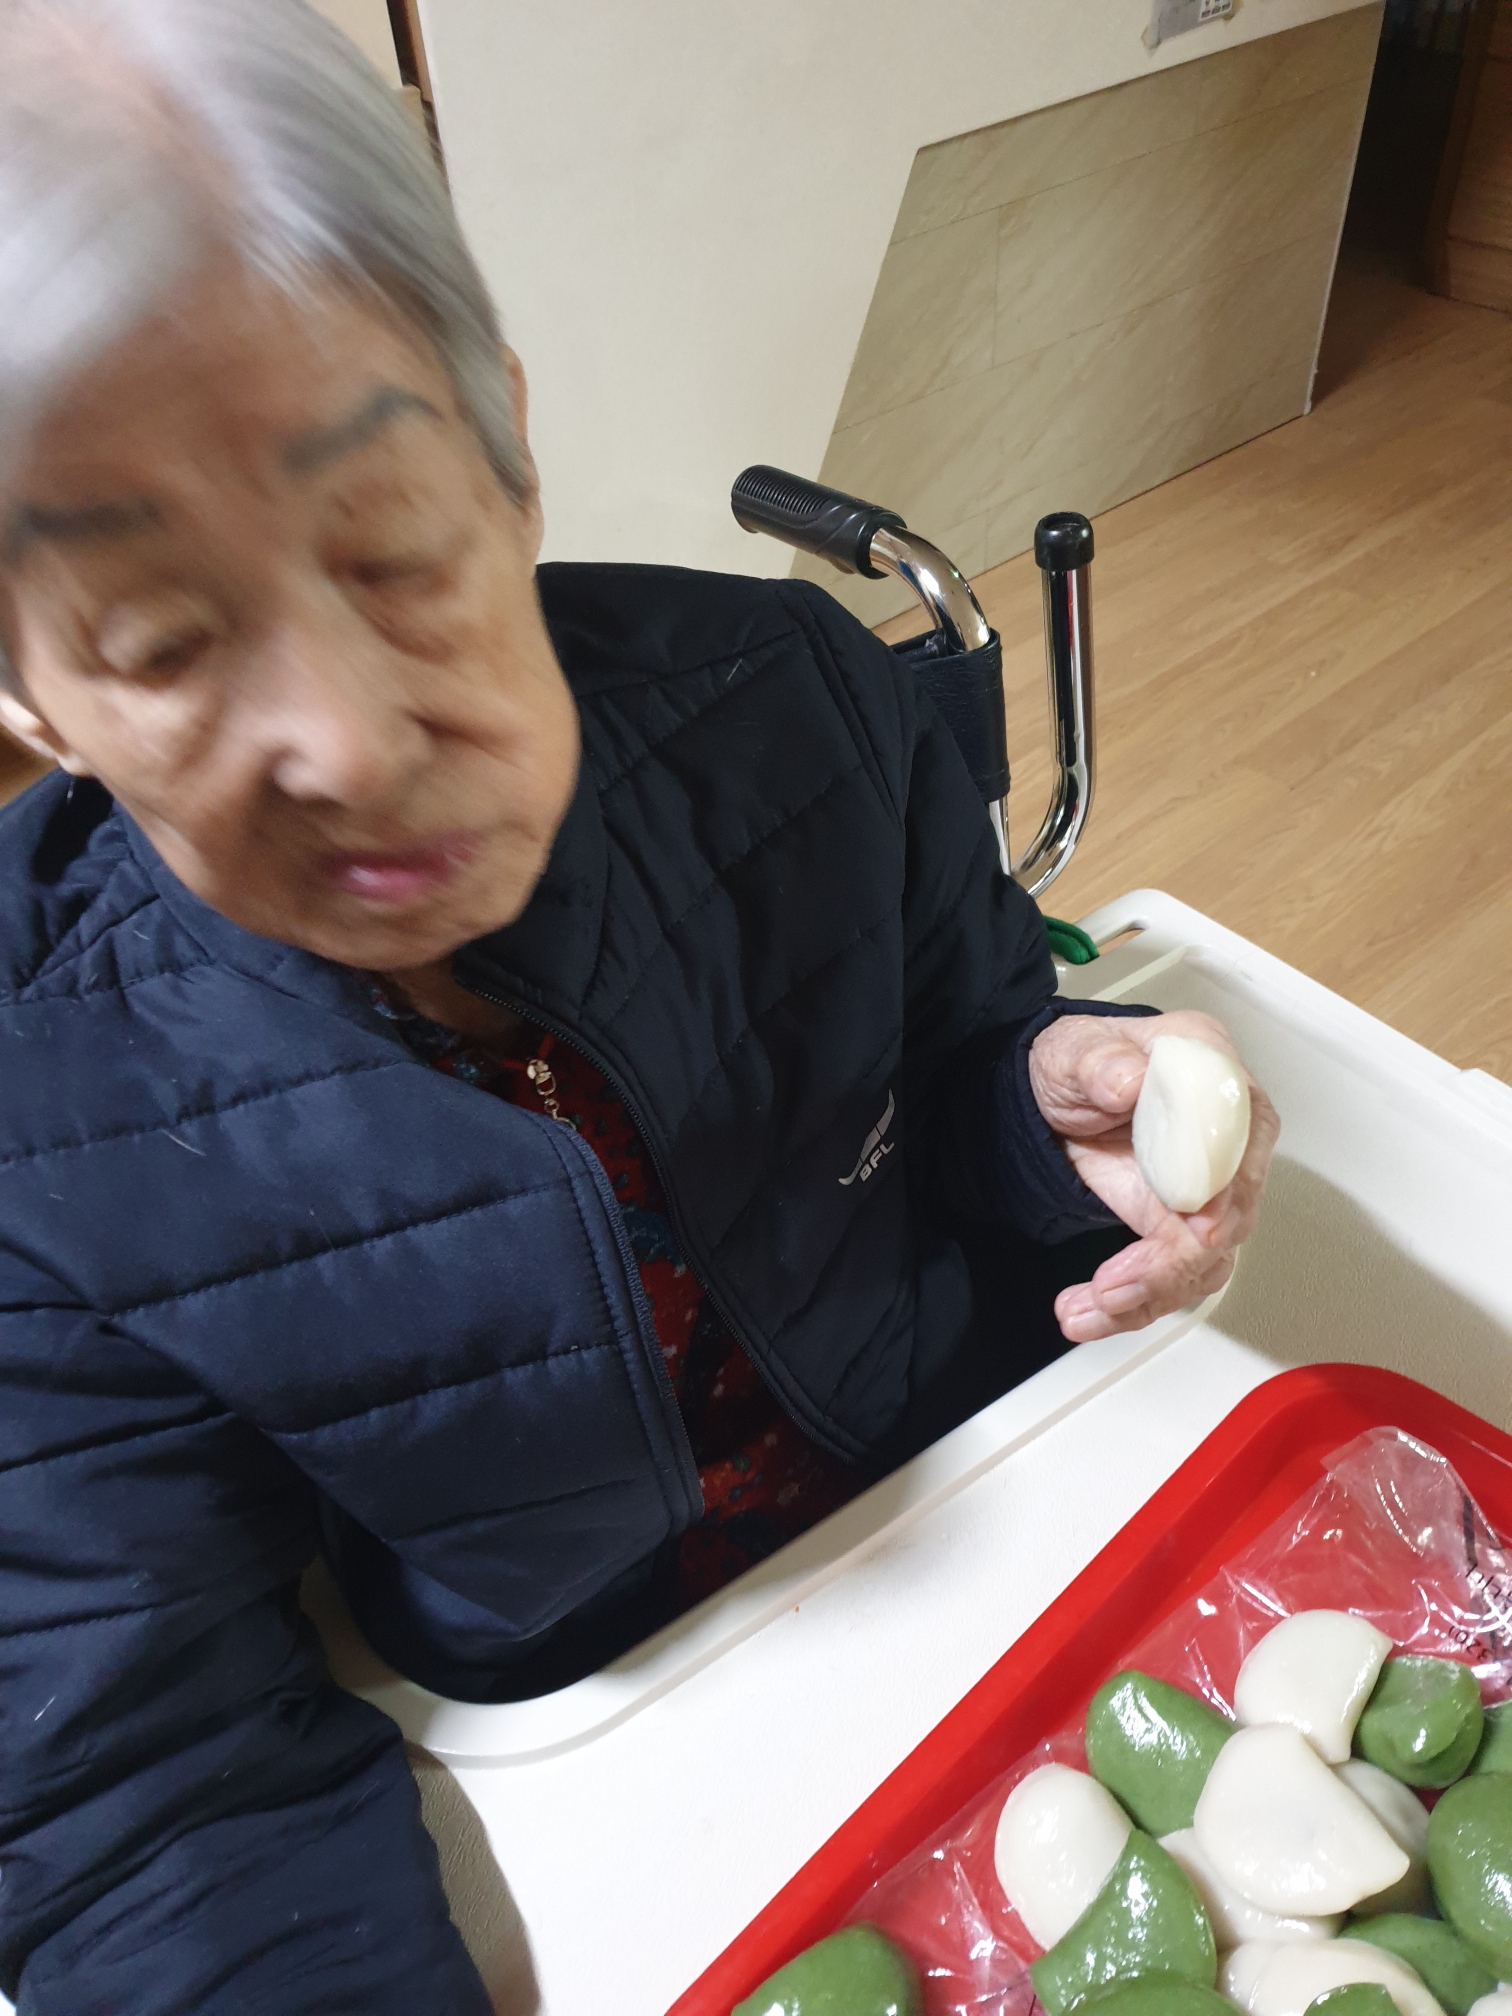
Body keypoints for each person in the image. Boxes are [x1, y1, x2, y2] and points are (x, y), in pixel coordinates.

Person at [0, 2, 1279, 2010]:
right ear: (30, 691)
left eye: (392, 551)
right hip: (610, 1757)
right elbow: (144, 1795)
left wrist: (1054, 1113)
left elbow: (960, 1065)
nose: (352, 742)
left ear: (507, 448)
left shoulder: (794, 707)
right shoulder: (45, 1123)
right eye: (163, 639)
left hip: (989, 1548)